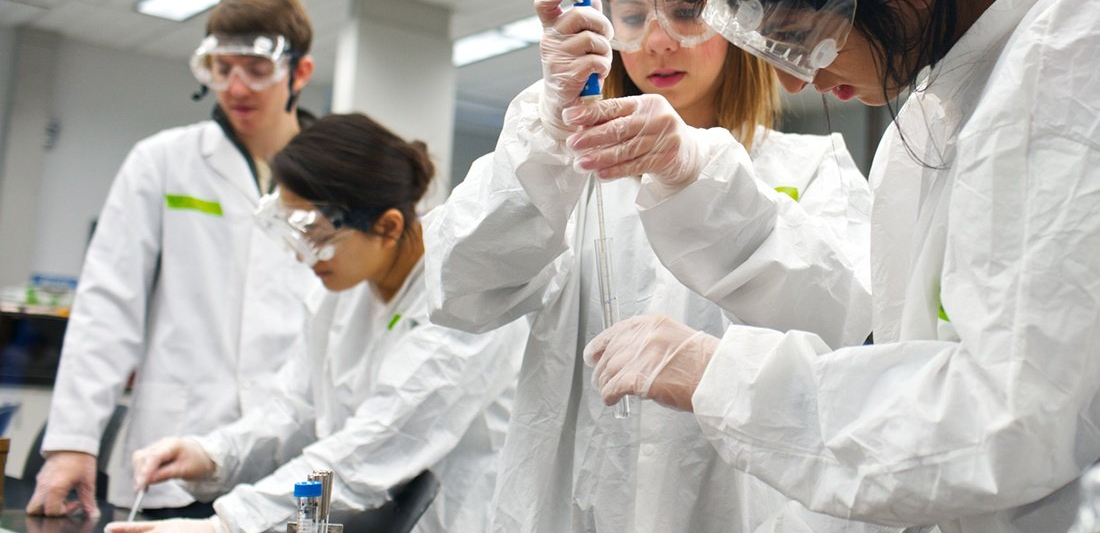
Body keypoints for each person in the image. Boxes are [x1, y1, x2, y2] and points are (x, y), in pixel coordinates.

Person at [584, 0, 1100, 532]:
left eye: (799, 34)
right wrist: (698, 186)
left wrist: (723, 378)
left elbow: (1010, 423)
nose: (792, 79)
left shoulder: (1062, 66)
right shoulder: (943, 108)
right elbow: (880, 348)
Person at [425, 0, 886, 531]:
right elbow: (456, 287)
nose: (658, 41)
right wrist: (546, 137)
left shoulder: (812, 168)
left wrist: (702, 179)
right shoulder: (568, 168)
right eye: (635, 18)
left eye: (687, 13)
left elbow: (857, 336)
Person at [105, 113, 526, 533]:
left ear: (387, 226)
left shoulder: (465, 302)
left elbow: (370, 452)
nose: (300, 255)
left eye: (317, 237)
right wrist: (213, 454)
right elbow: (295, 411)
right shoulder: (341, 294)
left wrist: (228, 526)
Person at [28, 0, 319, 518]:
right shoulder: (162, 162)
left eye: (256, 70)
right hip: (173, 451)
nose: (235, 87)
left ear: (300, 71)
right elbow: (107, 305)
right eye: (221, 69)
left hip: (295, 459)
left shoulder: (332, 181)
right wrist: (74, 440)